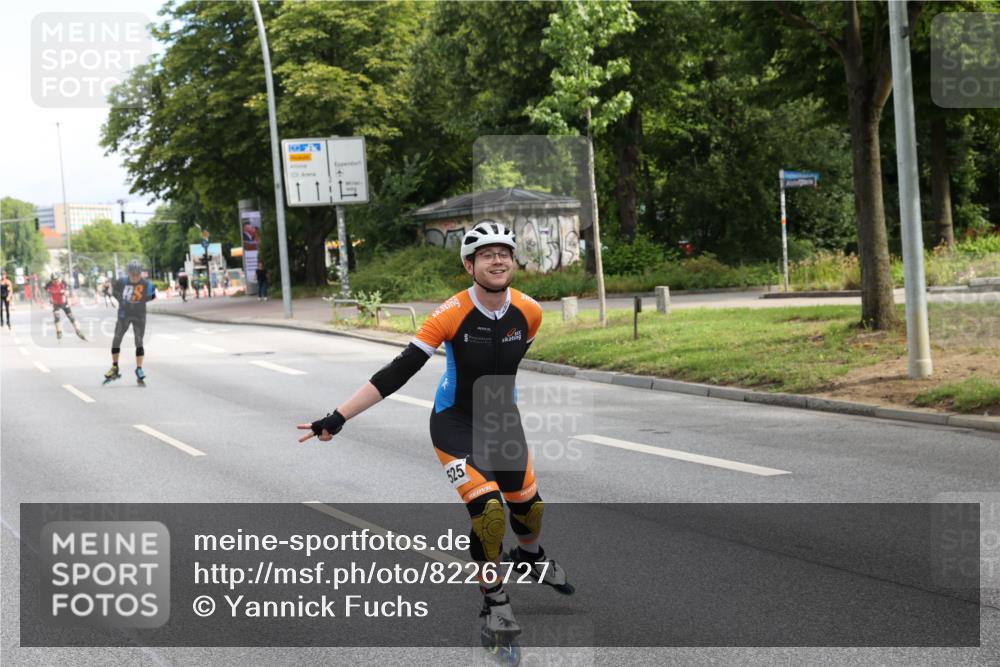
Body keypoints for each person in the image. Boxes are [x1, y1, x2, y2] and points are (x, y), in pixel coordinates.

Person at [297, 222, 572, 645]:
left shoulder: (530, 312)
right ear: (469, 265)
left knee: (530, 510)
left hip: (502, 421)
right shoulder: (450, 313)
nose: (497, 260)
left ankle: (529, 557)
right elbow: (398, 370)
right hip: (455, 423)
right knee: (490, 514)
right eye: (486, 254)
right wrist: (338, 417)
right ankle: (495, 600)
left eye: (504, 252)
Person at [103, 260, 156, 386]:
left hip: (139, 315)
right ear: (129, 273)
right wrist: (113, 294)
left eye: (138, 274)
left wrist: (137, 301)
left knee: (139, 341)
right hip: (124, 315)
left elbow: (151, 296)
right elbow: (114, 292)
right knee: (117, 339)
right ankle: (115, 367)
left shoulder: (146, 283)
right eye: (133, 274)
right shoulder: (122, 281)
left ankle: (139, 368)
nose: (135, 277)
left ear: (141, 273)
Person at [44, 272, 86, 341]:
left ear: (60, 278)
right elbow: (46, 290)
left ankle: (78, 330)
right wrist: (49, 293)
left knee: (71, 317)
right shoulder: (49, 284)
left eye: (57, 280)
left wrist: (65, 293)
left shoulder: (63, 283)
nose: (56, 282)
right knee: (57, 318)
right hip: (55, 303)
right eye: (54, 281)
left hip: (64, 302)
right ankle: (59, 332)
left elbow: (67, 292)